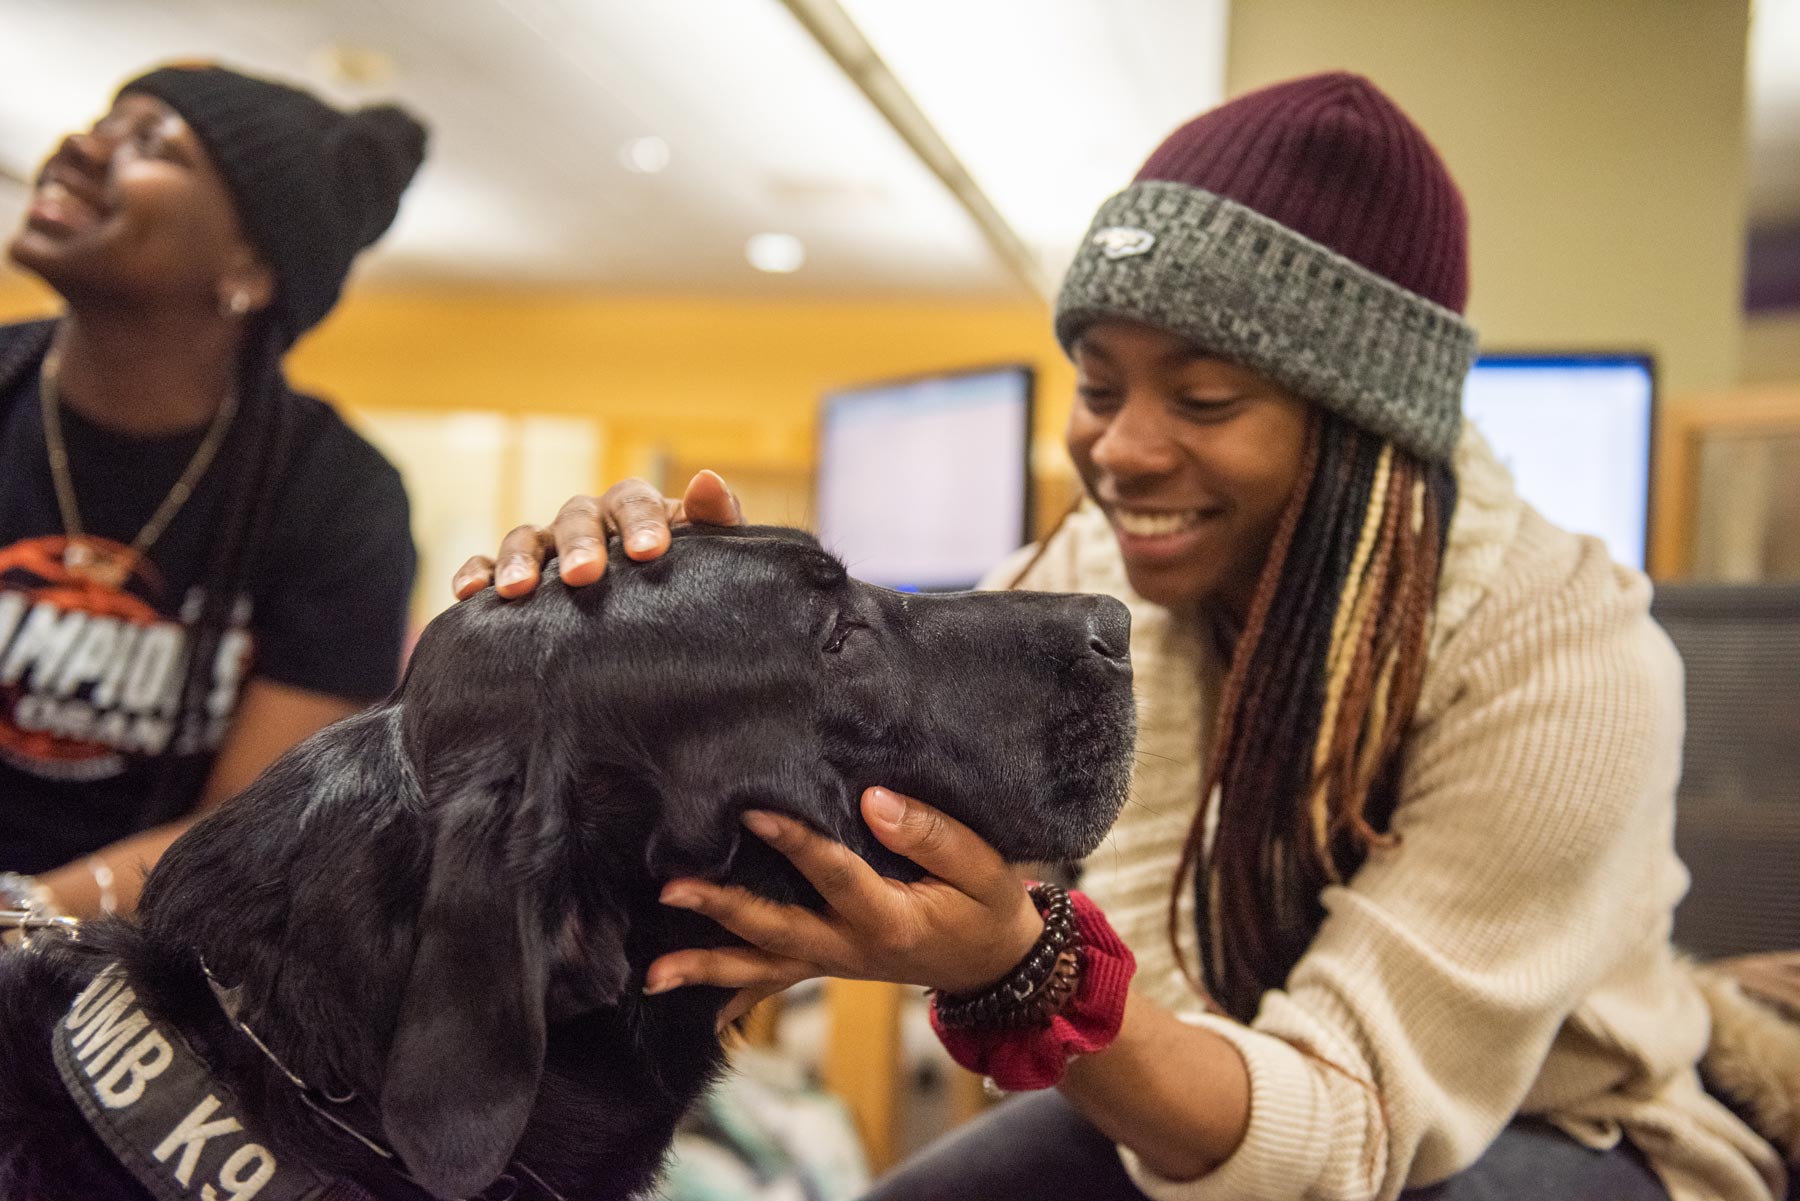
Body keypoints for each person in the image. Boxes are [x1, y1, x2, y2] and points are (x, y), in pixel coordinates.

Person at [456, 74, 1792, 1200]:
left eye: (1205, 397)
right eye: (1099, 389)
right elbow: (867, 795)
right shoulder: (1098, 572)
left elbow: (1341, 1137)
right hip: (1175, 1086)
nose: (1124, 450)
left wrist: (1025, 971)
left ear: (1363, 438)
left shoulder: (1566, 660)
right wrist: (675, 634)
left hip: (1540, 1127)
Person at [0, 64, 423, 919]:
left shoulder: (337, 496)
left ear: (250, 269)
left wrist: (17, 925)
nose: (81, 147)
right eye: (104, 120)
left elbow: (248, 827)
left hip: (132, 967)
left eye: (153, 144)